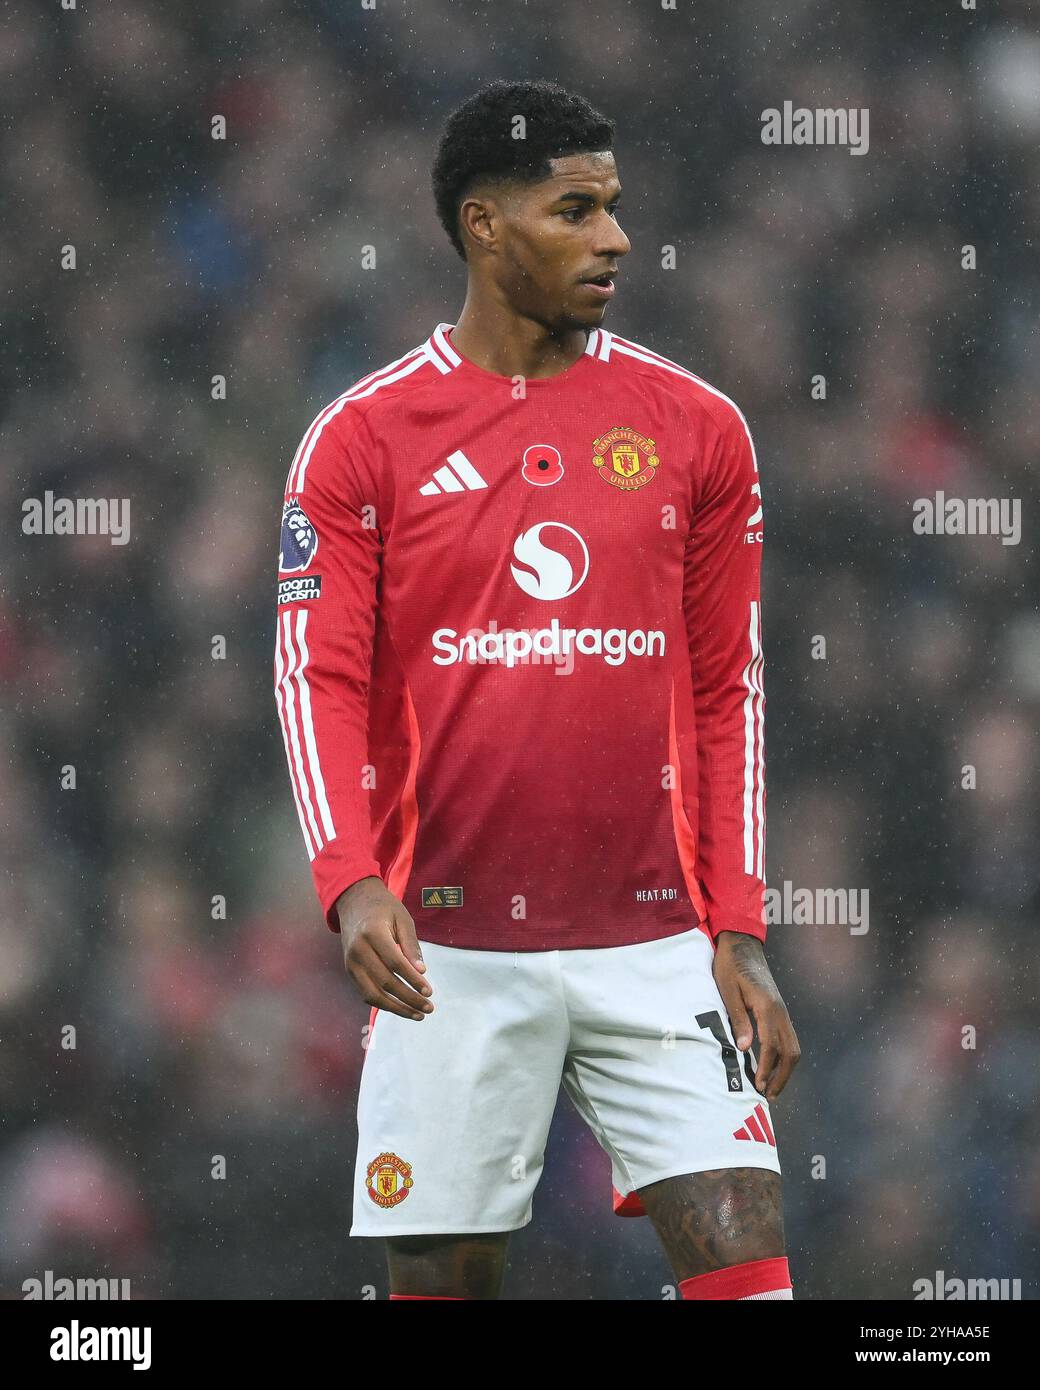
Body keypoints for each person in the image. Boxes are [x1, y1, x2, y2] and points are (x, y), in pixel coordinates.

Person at [274, 79, 800, 1301]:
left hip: (658, 939)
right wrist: (349, 884)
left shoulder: (697, 429)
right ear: (483, 225)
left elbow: (728, 686)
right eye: (575, 209)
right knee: (447, 1283)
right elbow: (320, 676)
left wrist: (738, 923)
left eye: (613, 207)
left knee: (748, 1272)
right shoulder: (362, 441)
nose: (615, 237)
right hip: (444, 945)